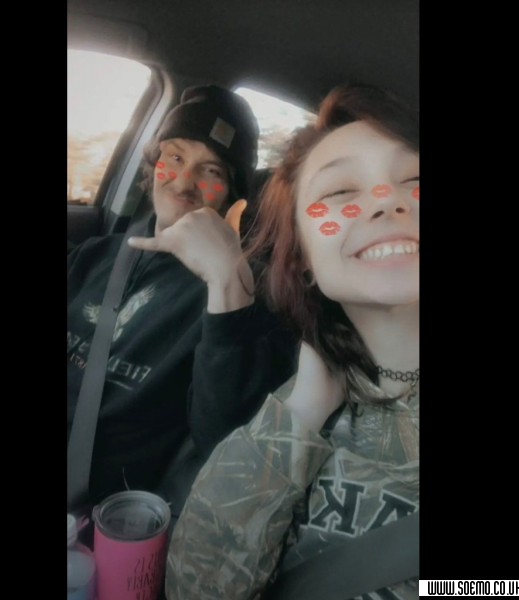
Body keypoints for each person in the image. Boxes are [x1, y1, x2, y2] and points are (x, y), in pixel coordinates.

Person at [166, 83, 419, 600]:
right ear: (301, 256)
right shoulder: (297, 403)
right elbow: (195, 589)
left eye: (414, 179)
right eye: (340, 192)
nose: (385, 201)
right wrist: (301, 413)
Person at [67, 85, 296, 503]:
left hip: (95, 504)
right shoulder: (92, 255)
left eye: (212, 171)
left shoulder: (239, 297)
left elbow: (224, 443)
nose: (185, 181)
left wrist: (227, 283)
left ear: (232, 197)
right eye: (174, 157)